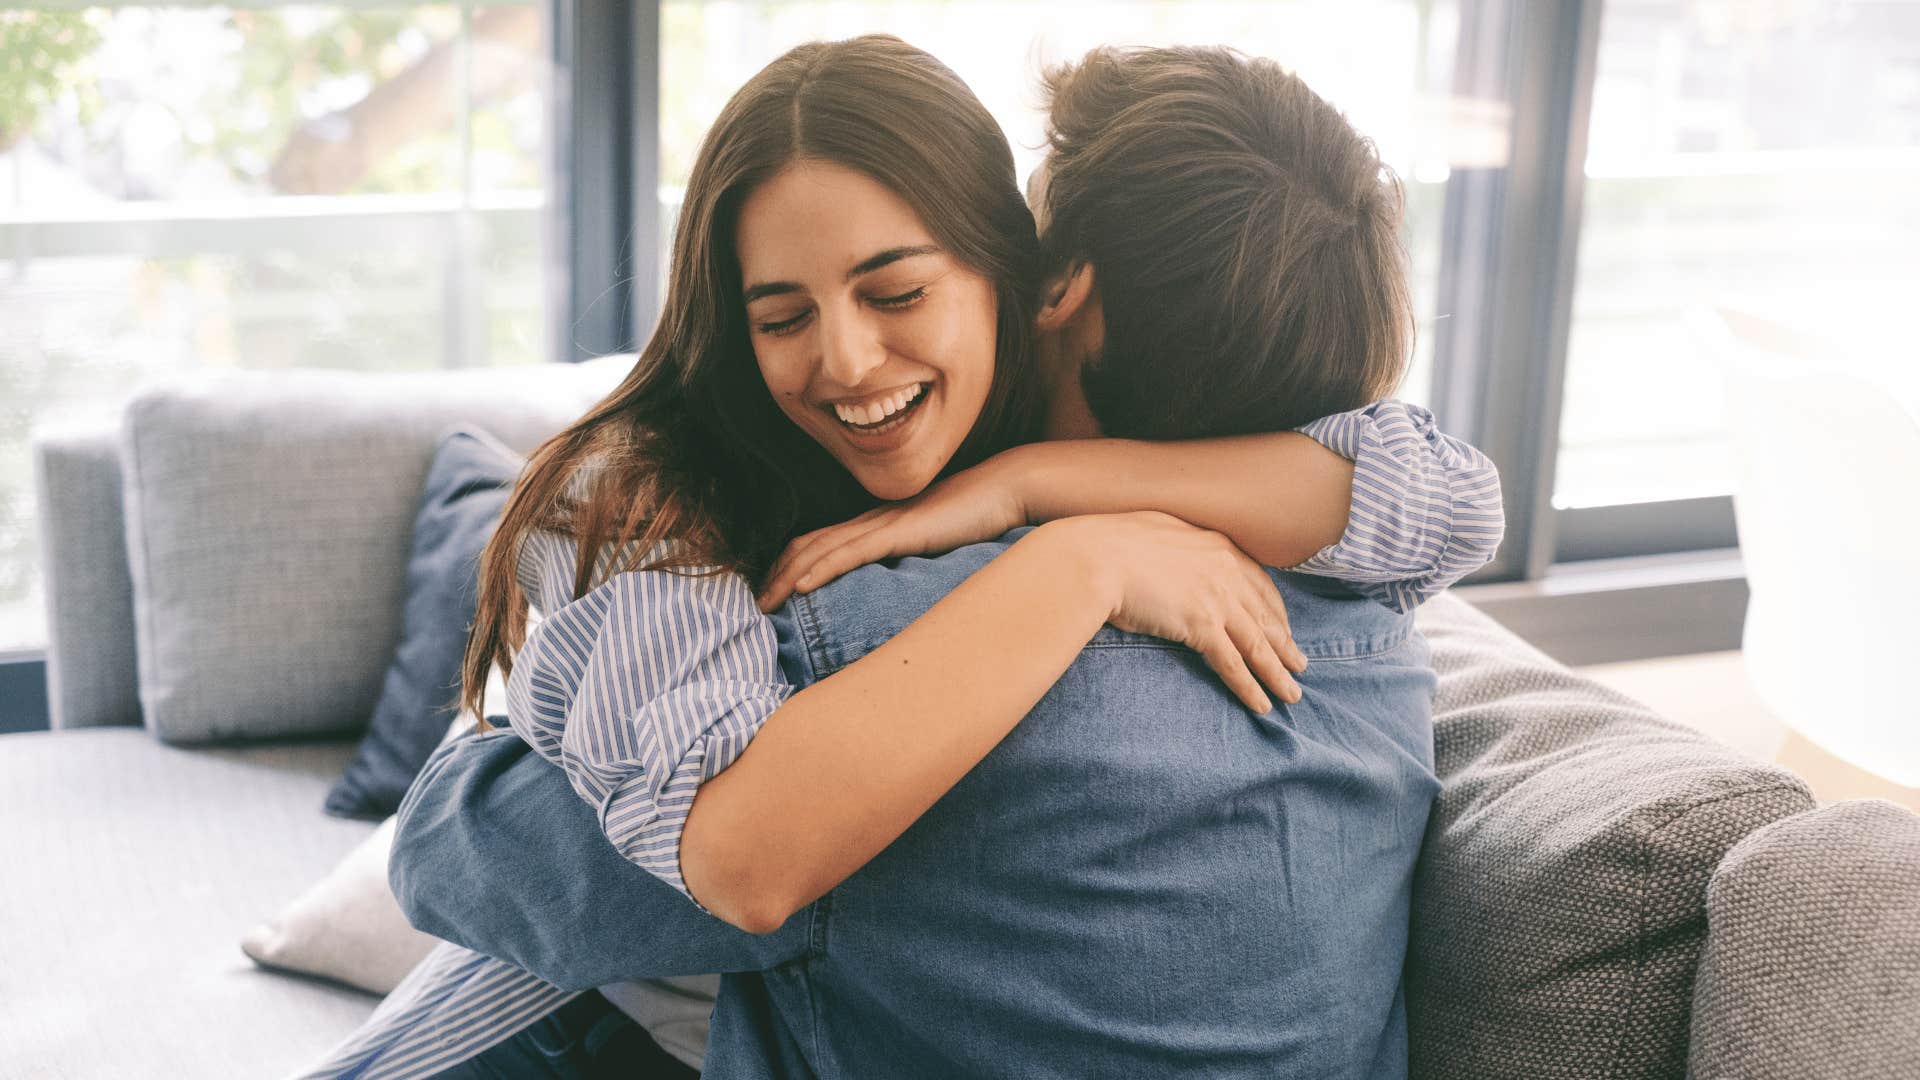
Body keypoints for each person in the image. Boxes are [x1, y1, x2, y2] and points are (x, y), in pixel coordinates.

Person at [303, 37, 1499, 1078]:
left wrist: (1049, 503)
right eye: (781, 316)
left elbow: (1453, 497)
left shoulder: (937, 605)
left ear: (1030, 279)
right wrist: (1076, 559)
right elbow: (687, 853)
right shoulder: (657, 507)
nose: (850, 359)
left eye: (900, 290)